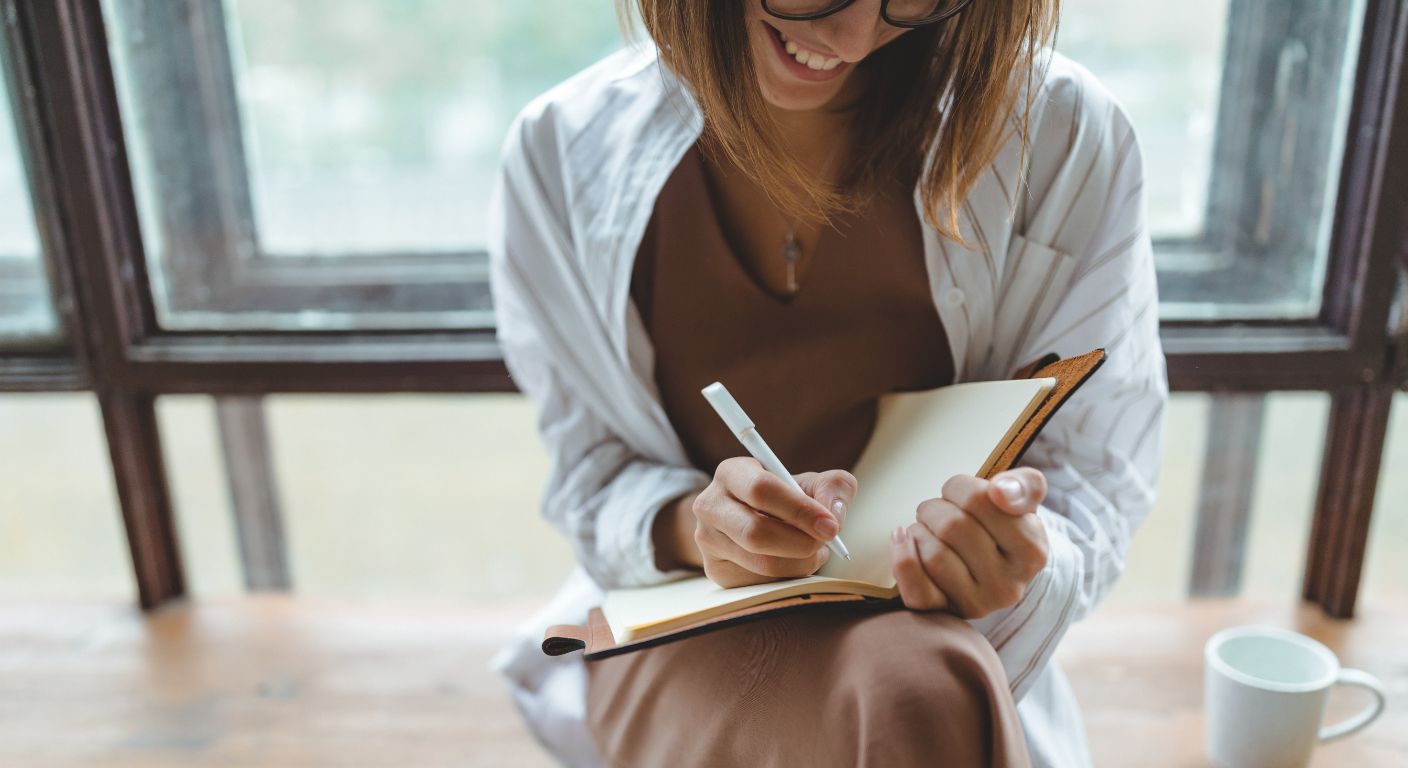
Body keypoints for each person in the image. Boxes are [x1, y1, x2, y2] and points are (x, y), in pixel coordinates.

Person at [488, 0, 1167, 765]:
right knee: (923, 695)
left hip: (940, 636)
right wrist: (698, 526)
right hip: (680, 622)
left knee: (916, 681)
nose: (851, 38)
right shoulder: (560, 153)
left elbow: (1097, 477)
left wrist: (1014, 562)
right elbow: (592, 474)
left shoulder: (1061, 136)